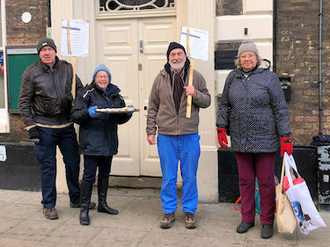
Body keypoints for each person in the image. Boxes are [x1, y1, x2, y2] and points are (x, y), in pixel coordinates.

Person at [216, 39, 293, 239]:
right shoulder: (232, 78)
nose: (247, 59)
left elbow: (280, 108)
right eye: (243, 56)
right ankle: (247, 218)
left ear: (257, 58)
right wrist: (221, 127)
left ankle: (267, 221)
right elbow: (224, 104)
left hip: (265, 139)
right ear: (239, 60)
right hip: (241, 138)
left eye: (250, 55)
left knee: (266, 182)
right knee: (245, 180)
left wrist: (285, 136)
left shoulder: (269, 78)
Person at [18, 37, 95, 220]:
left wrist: (86, 98)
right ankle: (49, 204)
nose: (46, 53)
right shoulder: (31, 73)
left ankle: (75, 198)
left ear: (55, 51)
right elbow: (23, 102)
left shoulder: (68, 68)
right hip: (44, 127)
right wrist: (31, 127)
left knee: (73, 163)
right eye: (43, 51)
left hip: (66, 125)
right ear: (39, 54)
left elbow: (80, 91)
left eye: (49, 50)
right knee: (48, 167)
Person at [146, 42, 211, 229]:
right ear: (168, 58)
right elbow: (153, 107)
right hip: (166, 135)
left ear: (185, 56)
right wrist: (151, 131)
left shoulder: (195, 76)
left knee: (189, 175)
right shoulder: (160, 78)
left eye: (179, 53)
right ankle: (168, 211)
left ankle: (189, 211)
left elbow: (207, 100)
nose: (176, 57)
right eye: (173, 54)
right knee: (168, 176)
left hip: (189, 135)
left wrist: (195, 93)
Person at [71, 64, 132, 225]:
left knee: (105, 175)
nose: (103, 78)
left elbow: (120, 118)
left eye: (106, 76)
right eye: (100, 76)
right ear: (94, 78)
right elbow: (75, 115)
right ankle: (84, 208)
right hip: (92, 142)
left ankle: (102, 204)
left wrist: (128, 114)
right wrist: (88, 112)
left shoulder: (115, 94)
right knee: (89, 176)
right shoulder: (86, 93)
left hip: (109, 142)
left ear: (109, 79)